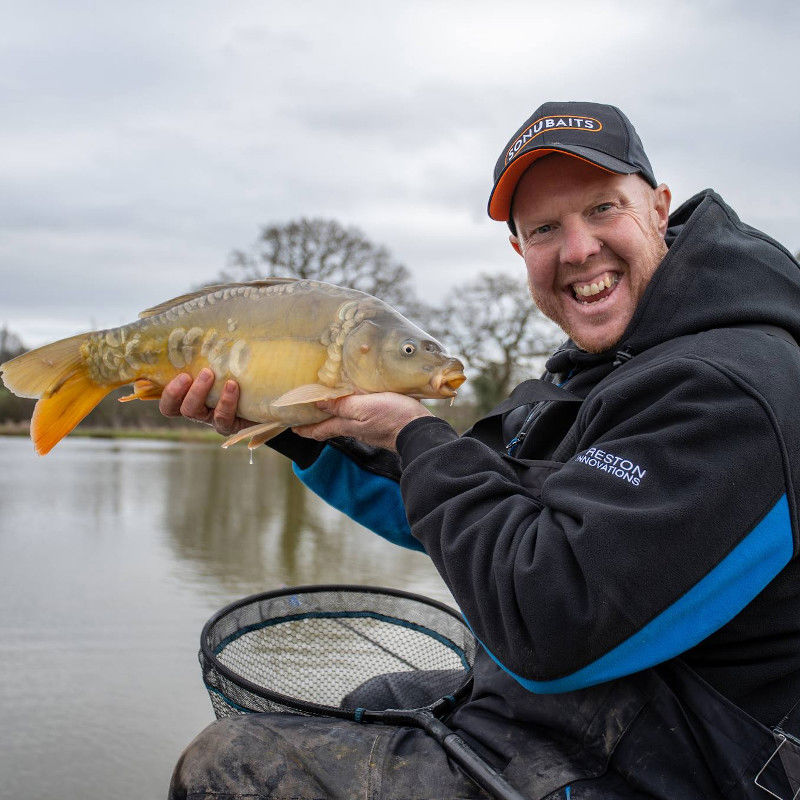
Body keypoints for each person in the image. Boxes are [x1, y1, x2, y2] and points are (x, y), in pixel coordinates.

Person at [164, 102, 800, 799]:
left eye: (602, 209)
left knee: (234, 765)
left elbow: (546, 622)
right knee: (377, 694)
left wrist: (411, 429)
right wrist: (288, 423)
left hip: (707, 760)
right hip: (616, 709)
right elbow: (470, 505)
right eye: (545, 229)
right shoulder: (593, 373)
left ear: (658, 207)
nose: (578, 248)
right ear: (520, 250)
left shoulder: (734, 388)